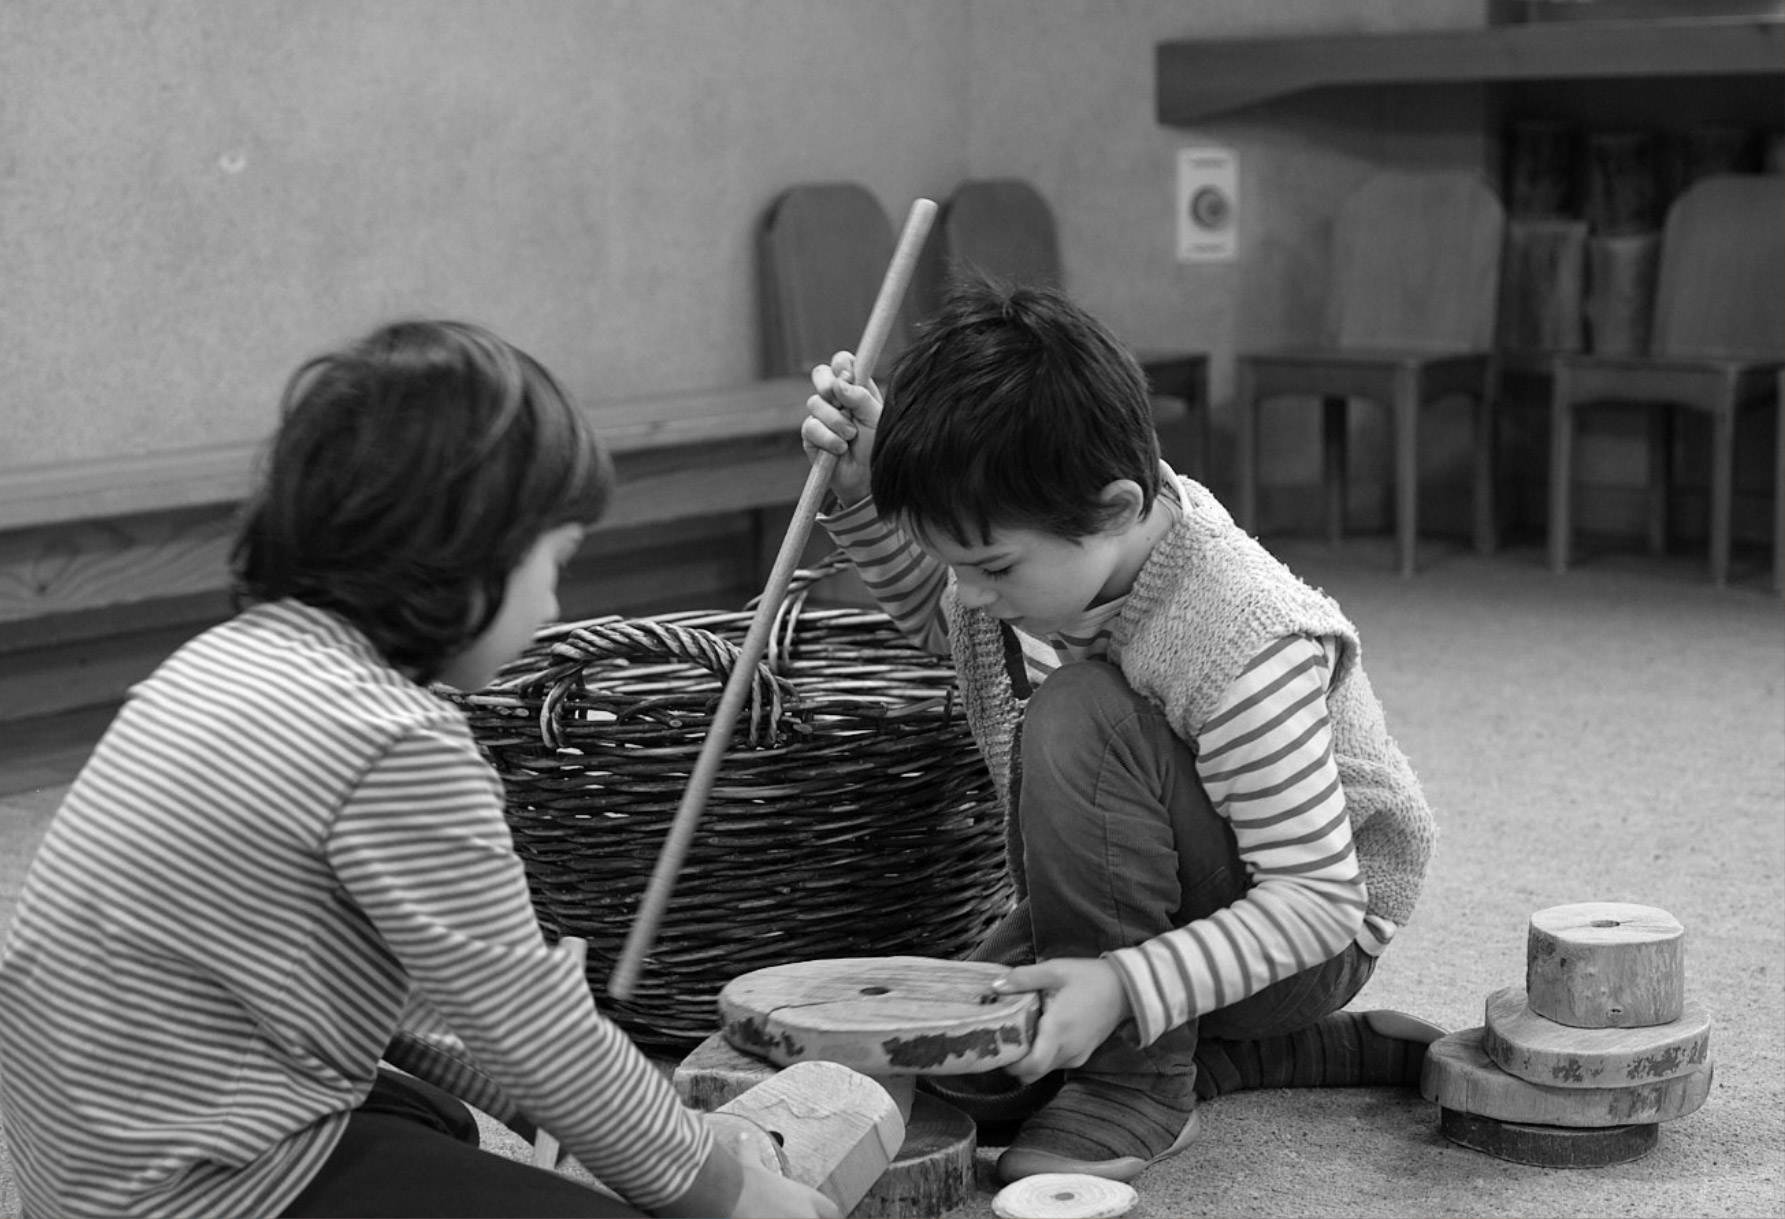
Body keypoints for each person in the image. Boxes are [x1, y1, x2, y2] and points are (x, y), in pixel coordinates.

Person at [0, 320, 837, 1219]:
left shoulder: (226, 659)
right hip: (189, 1188)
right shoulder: (394, 738)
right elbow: (524, 1017)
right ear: (468, 556)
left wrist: (556, 1111)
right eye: (555, 564)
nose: (556, 600)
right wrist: (724, 1191)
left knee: (436, 1116)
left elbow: (395, 996)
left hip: (91, 1159)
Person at [800, 279, 1441, 1185]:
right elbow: (950, 620)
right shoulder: (1043, 563)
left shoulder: (1238, 636)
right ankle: (1252, 1055)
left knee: (1078, 715)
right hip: (1156, 902)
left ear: (1112, 507)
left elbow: (1316, 899)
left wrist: (1121, 988)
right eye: (955, 563)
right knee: (974, 1072)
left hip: (1308, 933)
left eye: (987, 565)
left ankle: (1139, 1080)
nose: (969, 593)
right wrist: (867, 494)